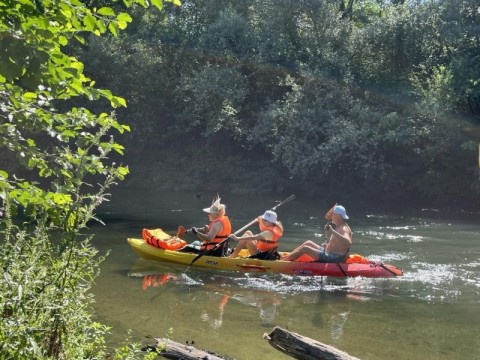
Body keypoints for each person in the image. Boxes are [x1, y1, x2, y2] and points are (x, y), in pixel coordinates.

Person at [282, 204, 352, 263]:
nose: (331, 217)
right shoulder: (339, 225)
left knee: (305, 248)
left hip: (334, 258)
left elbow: (348, 242)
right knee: (308, 243)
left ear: (338, 216)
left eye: (333, 215)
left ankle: (283, 262)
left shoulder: (344, 228)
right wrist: (327, 246)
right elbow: (338, 244)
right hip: (329, 253)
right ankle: (287, 257)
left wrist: (332, 231)